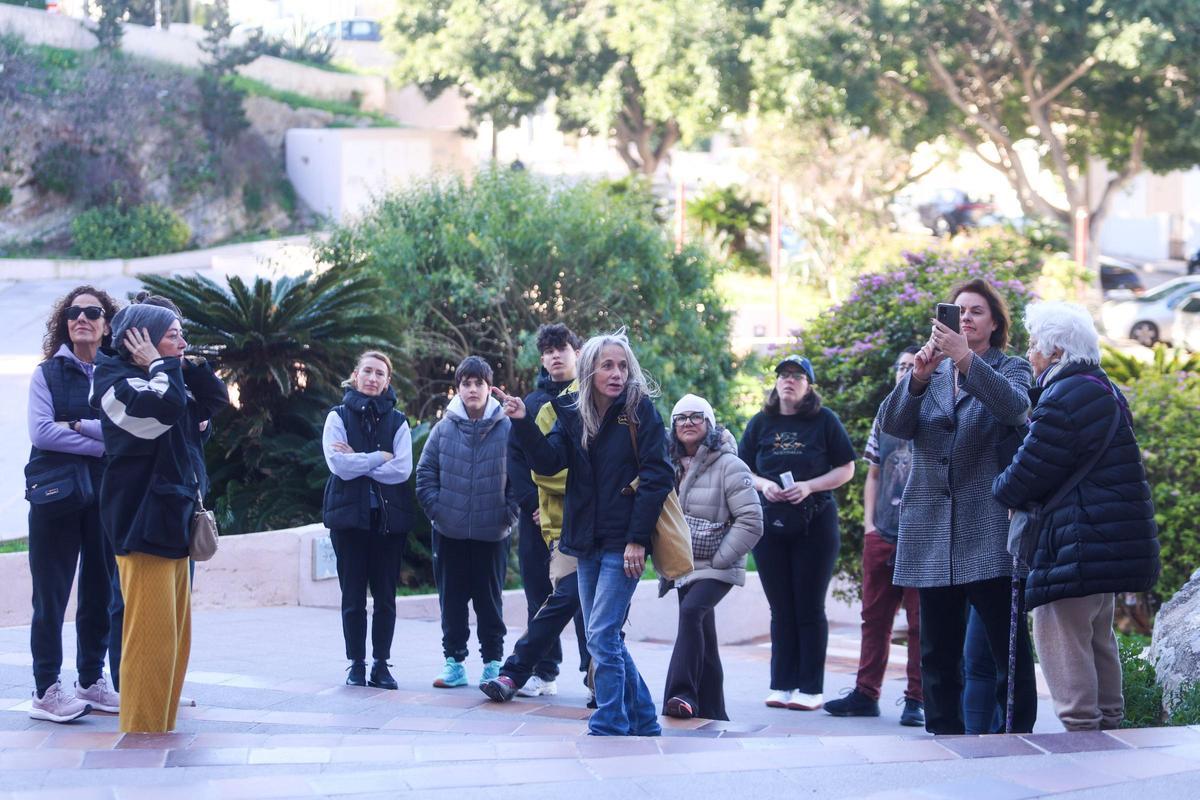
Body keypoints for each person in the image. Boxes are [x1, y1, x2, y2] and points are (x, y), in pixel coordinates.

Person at [878, 278, 1037, 735]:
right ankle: (943, 738)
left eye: (976, 312)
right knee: (936, 651)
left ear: (995, 323)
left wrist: (965, 359)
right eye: (959, 311)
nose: (965, 318)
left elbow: (1015, 409)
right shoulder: (929, 372)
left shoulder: (1011, 367)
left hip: (987, 525)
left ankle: (1016, 737)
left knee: (1007, 649)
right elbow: (893, 426)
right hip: (931, 528)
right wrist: (919, 377)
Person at [994, 301, 1160, 731]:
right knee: (1097, 639)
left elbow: (1020, 478)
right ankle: (1107, 735)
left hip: (1076, 543)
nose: (1028, 355)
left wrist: (1000, 486)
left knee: (1062, 637)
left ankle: (1083, 739)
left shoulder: (1064, 398)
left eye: (1033, 346)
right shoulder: (1100, 387)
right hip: (1101, 543)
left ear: (1055, 352)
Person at [498, 330, 672, 737]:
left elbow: (657, 477)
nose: (616, 373)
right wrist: (523, 422)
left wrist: (638, 539)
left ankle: (611, 718)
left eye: (623, 366)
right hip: (584, 541)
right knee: (604, 634)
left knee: (600, 633)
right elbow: (549, 462)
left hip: (622, 542)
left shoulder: (640, 412)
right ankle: (644, 717)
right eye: (608, 365)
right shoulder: (571, 410)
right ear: (592, 369)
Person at [92, 303, 228, 733]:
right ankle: (142, 733)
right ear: (140, 339)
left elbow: (213, 400)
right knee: (150, 639)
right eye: (173, 334)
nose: (182, 343)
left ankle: (161, 726)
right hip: (141, 524)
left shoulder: (165, 376)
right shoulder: (116, 385)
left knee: (174, 639)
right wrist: (160, 362)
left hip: (175, 520)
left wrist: (182, 361)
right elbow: (164, 409)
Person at [25, 286, 122, 723]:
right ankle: (46, 690)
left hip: (103, 497)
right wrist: (99, 443)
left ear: (106, 324)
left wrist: (79, 426)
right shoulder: (46, 373)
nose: (81, 318)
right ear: (65, 322)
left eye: (92, 312)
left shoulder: (117, 374)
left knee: (99, 592)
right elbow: (42, 433)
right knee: (51, 596)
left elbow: (125, 430)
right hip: (55, 500)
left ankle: (91, 681)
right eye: (73, 312)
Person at [739, 355, 856, 711]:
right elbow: (742, 468)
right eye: (784, 375)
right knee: (781, 608)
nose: (789, 381)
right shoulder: (760, 423)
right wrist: (763, 485)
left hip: (814, 522)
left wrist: (810, 486)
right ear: (776, 383)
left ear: (808, 385)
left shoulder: (824, 421)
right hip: (770, 523)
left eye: (797, 376)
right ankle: (781, 685)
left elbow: (847, 468)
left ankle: (810, 689)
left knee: (808, 606)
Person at [824, 346, 924, 727]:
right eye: (900, 366)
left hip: (919, 538)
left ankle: (917, 699)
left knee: (920, 622)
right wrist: (868, 526)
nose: (905, 371)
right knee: (873, 618)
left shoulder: (933, 413)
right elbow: (874, 474)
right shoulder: (885, 417)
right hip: (881, 532)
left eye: (912, 366)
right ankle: (866, 693)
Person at [416, 356, 518, 689]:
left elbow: (521, 477)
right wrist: (439, 511)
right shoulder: (443, 428)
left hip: (492, 533)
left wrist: (509, 515)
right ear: (458, 388)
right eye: (466, 383)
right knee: (452, 600)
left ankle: (492, 664)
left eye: (479, 383)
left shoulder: (507, 427)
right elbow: (424, 475)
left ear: (490, 388)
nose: (472, 389)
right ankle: (454, 664)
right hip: (449, 533)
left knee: (490, 601)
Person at [661, 394, 762, 721]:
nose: (688, 423)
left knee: (691, 614)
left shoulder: (731, 465)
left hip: (717, 565)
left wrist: (722, 559)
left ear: (709, 423)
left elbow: (751, 520)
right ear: (673, 426)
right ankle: (715, 711)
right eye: (681, 418)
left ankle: (680, 695)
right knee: (703, 632)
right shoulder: (668, 464)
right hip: (683, 564)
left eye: (696, 417)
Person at [322, 351, 415, 690]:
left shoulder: (399, 421)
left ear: (387, 381)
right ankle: (356, 664)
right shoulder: (337, 417)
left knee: (386, 597)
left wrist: (359, 462)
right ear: (356, 374)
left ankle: (381, 664)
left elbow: (401, 470)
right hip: (349, 520)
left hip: (389, 523)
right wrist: (379, 457)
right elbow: (338, 465)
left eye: (380, 374)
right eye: (368, 371)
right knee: (353, 597)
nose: (373, 378)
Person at [505, 323, 587, 697]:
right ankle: (544, 672)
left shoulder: (589, 399)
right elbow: (516, 458)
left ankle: (595, 675)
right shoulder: (531, 403)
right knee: (539, 593)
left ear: (577, 354)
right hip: (536, 520)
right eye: (549, 350)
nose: (556, 355)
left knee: (586, 599)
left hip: (582, 517)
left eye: (562, 348)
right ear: (542, 358)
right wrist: (532, 504)